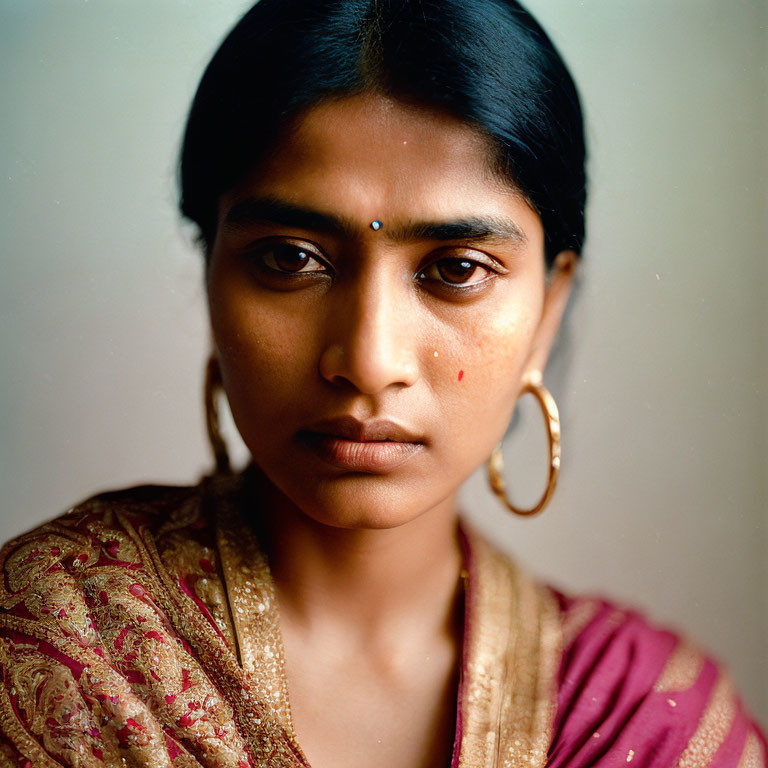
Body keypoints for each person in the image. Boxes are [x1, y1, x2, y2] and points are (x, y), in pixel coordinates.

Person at [0, 0, 764, 766]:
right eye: (289, 259)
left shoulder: (648, 722)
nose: (367, 361)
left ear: (548, 308)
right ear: (210, 274)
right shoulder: (57, 651)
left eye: (457, 269)